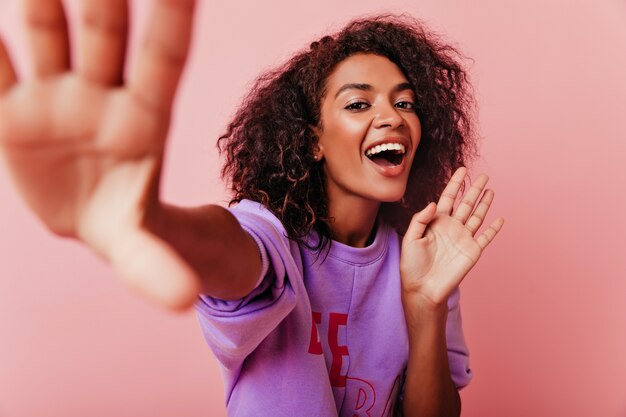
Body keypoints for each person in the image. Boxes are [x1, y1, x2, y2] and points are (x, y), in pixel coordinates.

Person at [0, 1, 504, 416]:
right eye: (358, 104)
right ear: (312, 142)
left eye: (405, 102)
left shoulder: (421, 258)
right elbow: (231, 253)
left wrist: (424, 303)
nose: (390, 117)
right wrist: (150, 219)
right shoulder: (269, 239)